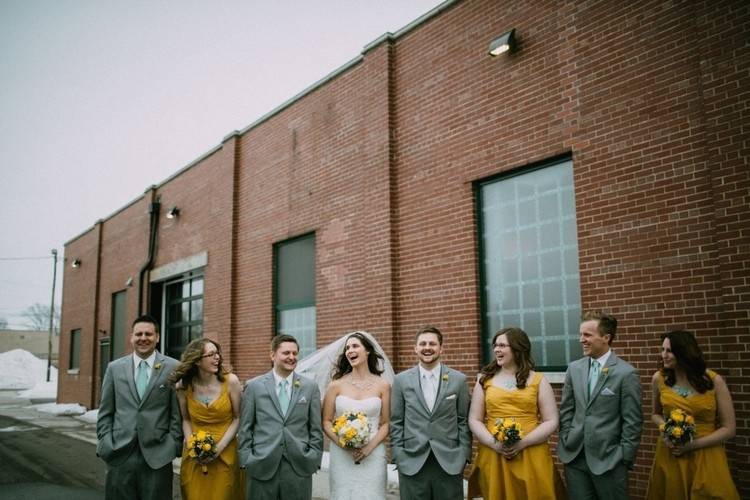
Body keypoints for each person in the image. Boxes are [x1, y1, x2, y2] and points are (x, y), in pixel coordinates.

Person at [467, 327, 565, 500]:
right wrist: (494, 443)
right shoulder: (485, 380)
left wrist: (522, 443)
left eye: (503, 345)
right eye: (495, 345)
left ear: (518, 349)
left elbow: (551, 420)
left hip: (530, 452)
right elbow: (474, 419)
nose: (497, 349)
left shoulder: (538, 380)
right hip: (494, 453)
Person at [96, 314, 182, 500]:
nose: (143, 338)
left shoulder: (173, 367)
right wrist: (106, 443)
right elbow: (105, 411)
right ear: (131, 337)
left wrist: (172, 445)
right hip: (119, 454)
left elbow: (177, 413)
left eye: (149, 334)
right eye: (139, 334)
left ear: (157, 337)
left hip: (157, 457)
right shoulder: (114, 368)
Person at [558, 311, 642, 500]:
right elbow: (567, 410)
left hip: (609, 459)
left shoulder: (626, 374)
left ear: (606, 337)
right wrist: (566, 438)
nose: (581, 340)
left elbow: (633, 421)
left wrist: (624, 456)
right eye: (580, 334)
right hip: (575, 457)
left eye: (587, 335)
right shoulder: (574, 368)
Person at [645, 330, 739, 499]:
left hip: (707, 454)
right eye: (662, 349)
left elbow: (729, 428)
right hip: (671, 453)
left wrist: (692, 445)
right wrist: (667, 429)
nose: (663, 355)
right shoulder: (658, 379)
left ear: (685, 353)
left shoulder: (713, 381)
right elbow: (655, 414)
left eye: (669, 351)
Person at [390, 325, 472, 500]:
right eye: (423, 343)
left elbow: (463, 420)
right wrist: (398, 454)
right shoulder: (401, 380)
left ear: (441, 348)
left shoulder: (459, 380)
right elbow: (396, 421)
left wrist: (463, 454)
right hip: (411, 460)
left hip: (449, 461)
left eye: (432, 344)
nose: (427, 347)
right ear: (416, 348)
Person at [237, 334, 323, 500]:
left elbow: (316, 428)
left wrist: (313, 457)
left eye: (295, 353)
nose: (292, 357)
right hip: (261, 465)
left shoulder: (310, 387)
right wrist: (247, 460)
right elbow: (245, 427)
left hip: (299, 465)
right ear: (272, 355)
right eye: (286, 353)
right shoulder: (254, 386)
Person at [169, 338, 244, 499]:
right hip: (194, 456)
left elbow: (237, 418)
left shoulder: (231, 382)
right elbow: (186, 420)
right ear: (197, 361)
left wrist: (218, 448)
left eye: (217, 353)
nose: (217, 357)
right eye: (211, 354)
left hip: (225, 452)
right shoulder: (183, 386)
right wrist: (192, 447)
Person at [322, 331, 391, 500]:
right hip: (342, 454)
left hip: (373, 452)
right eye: (347, 348)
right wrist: (342, 443)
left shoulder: (383, 385)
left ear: (367, 351)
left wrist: (368, 448)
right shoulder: (336, 385)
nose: (350, 350)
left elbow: (386, 423)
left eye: (355, 346)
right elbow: (326, 421)